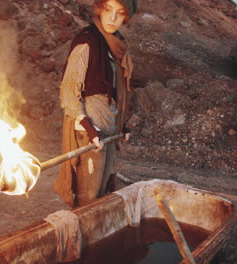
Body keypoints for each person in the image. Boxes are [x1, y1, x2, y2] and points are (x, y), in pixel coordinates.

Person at [54, 0, 138, 208]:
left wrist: (121, 125)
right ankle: (81, 239)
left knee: (103, 191)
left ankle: (97, 236)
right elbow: (69, 91)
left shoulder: (116, 44)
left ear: (125, 17)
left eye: (119, 13)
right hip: (89, 132)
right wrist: (90, 129)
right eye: (108, 10)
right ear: (99, 9)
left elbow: (116, 91)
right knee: (87, 197)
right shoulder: (88, 41)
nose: (112, 18)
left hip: (108, 129)